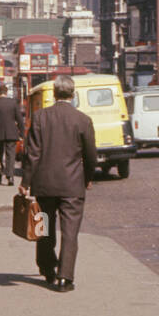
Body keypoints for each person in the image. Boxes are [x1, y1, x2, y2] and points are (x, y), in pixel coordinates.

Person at [21, 74, 95, 293]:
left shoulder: (40, 117)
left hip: (44, 185)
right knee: (70, 232)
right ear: (73, 94)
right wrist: (87, 178)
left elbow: (32, 153)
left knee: (44, 227)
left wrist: (26, 181)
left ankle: (47, 268)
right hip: (72, 186)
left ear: (54, 93)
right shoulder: (82, 120)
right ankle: (65, 277)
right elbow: (91, 155)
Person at [0, 82, 24, 185]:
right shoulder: (13, 103)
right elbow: (20, 119)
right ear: (6, 93)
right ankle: (10, 177)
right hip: (12, 132)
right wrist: (22, 134)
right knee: (10, 155)